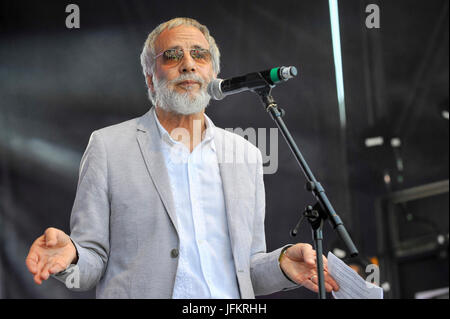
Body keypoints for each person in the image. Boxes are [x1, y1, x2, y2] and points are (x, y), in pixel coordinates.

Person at [25, 17, 339, 298]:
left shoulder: (245, 154)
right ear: (150, 78)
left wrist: (283, 263)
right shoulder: (107, 146)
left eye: (199, 55)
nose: (187, 64)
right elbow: (93, 261)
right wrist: (74, 255)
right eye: (172, 56)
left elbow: (249, 269)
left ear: (213, 74)